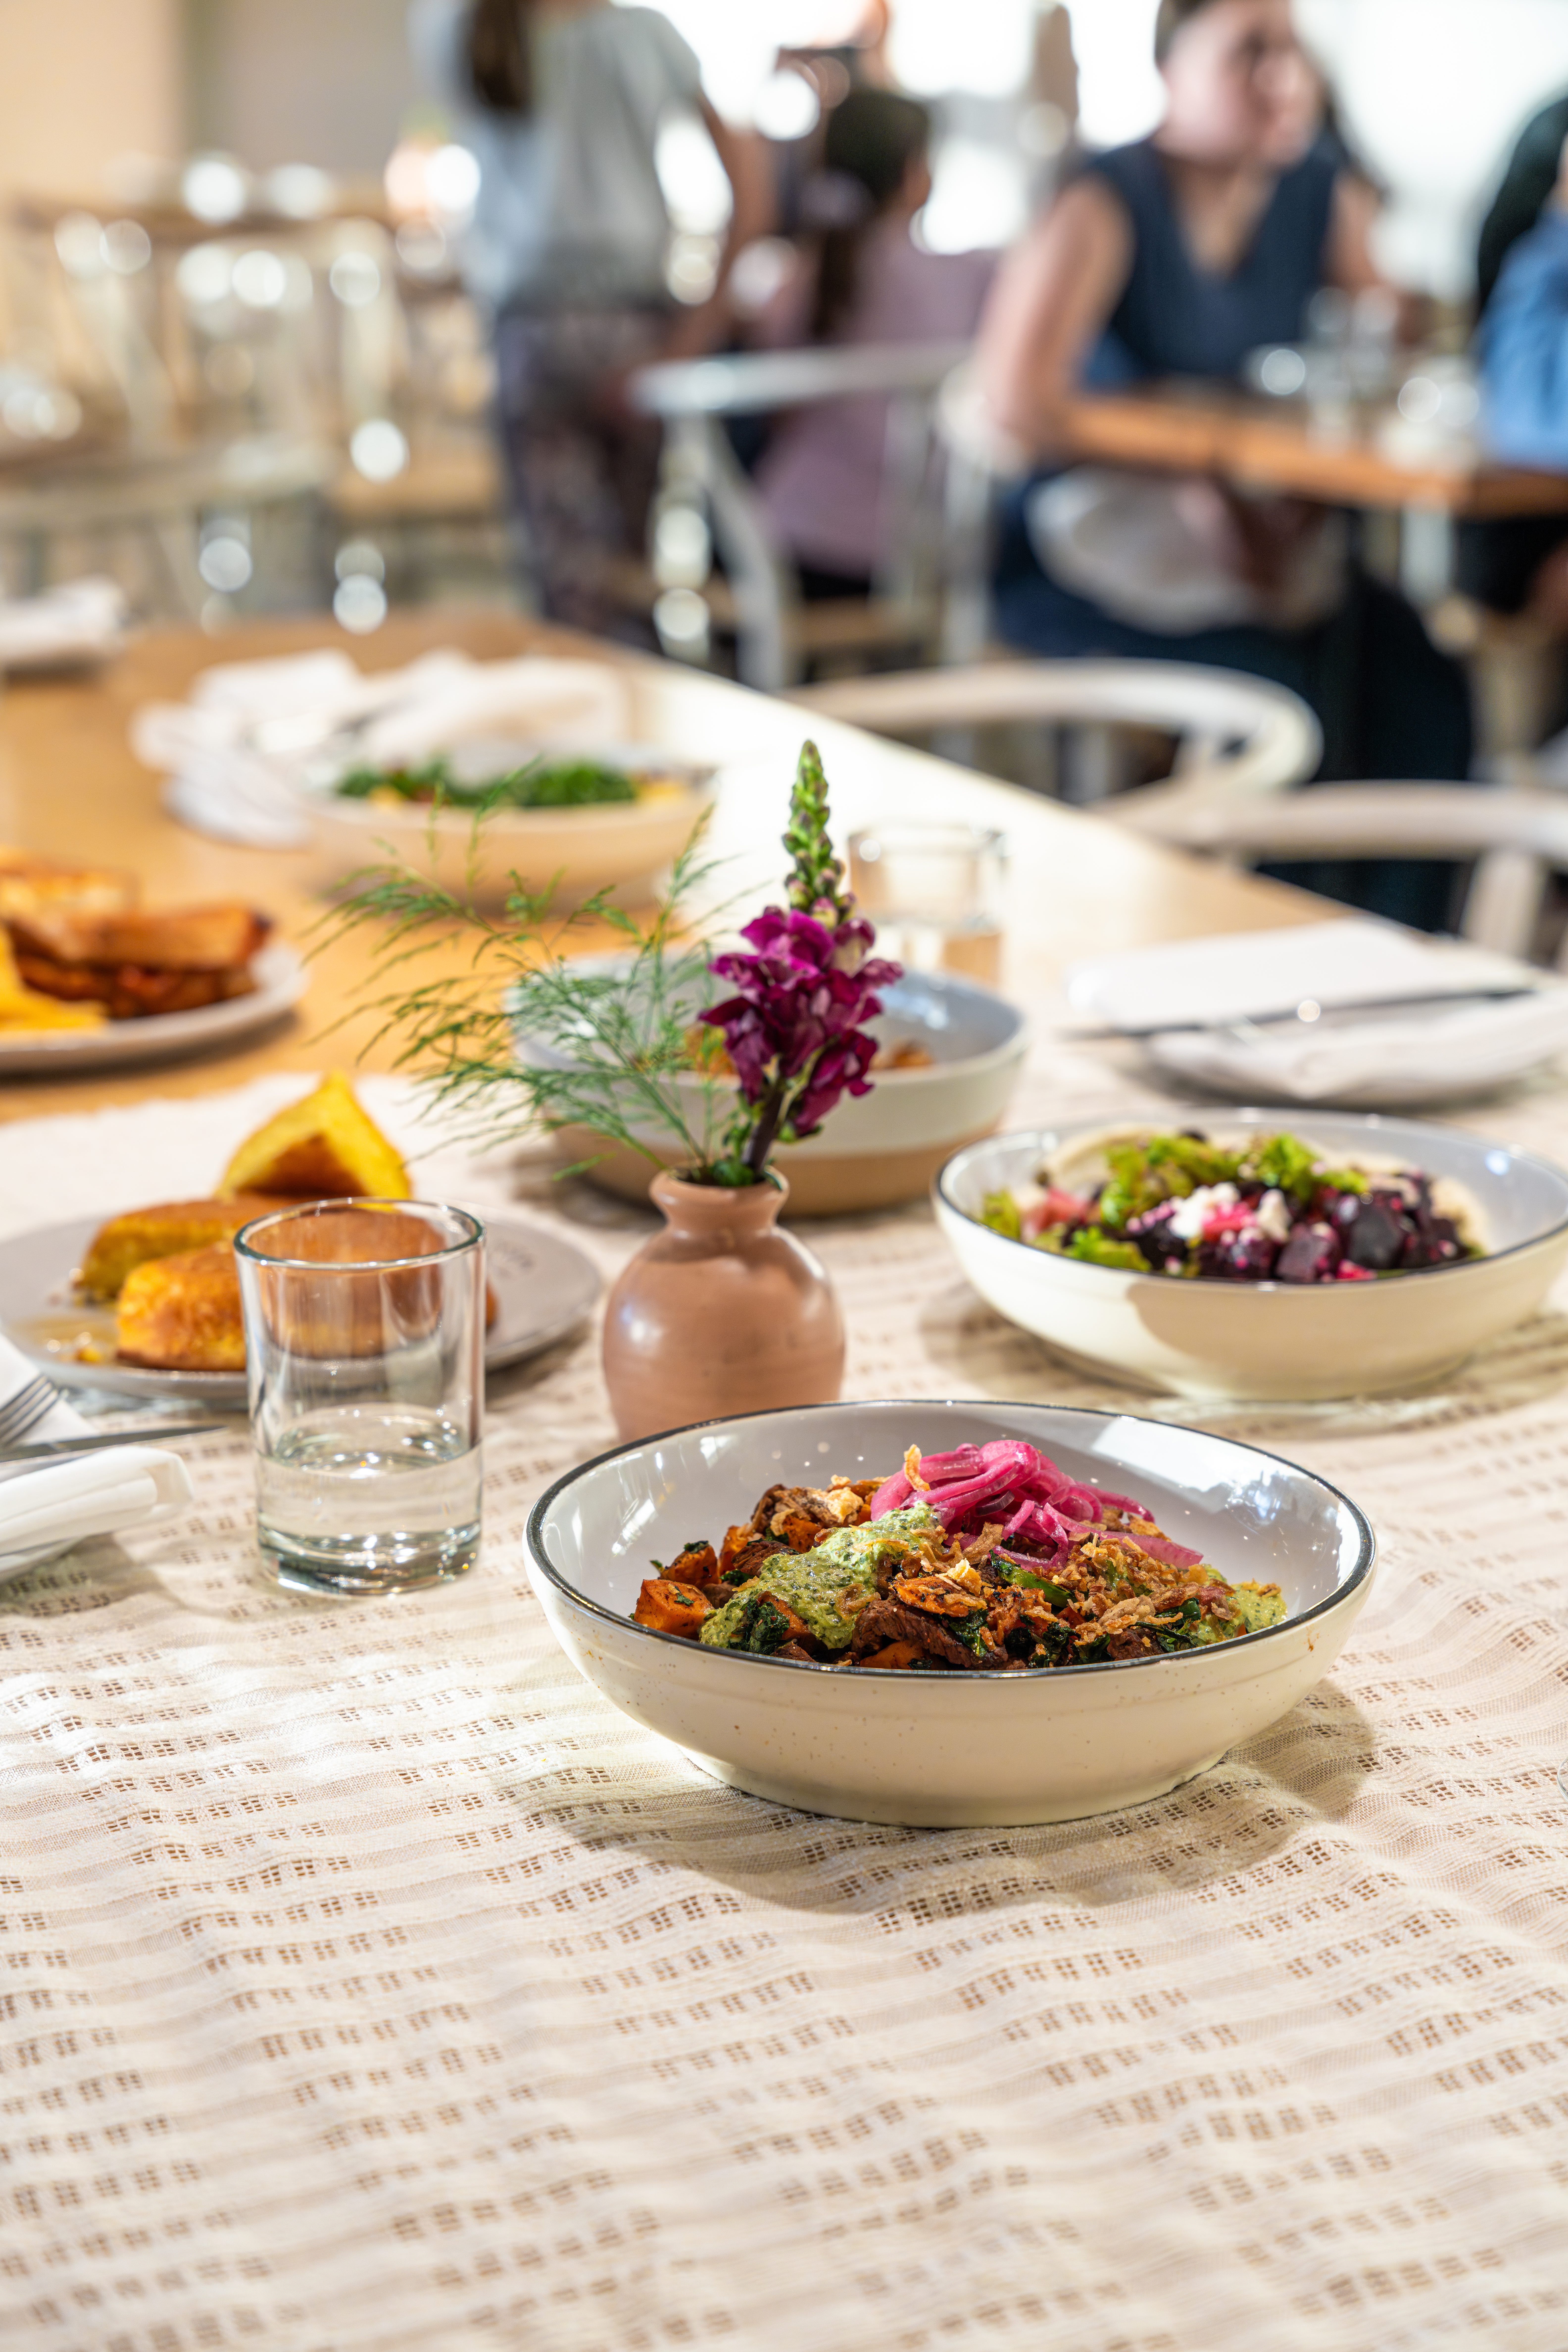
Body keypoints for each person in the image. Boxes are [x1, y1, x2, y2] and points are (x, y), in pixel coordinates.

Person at [976, 0, 1474, 923]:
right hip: (1097, 551)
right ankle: (1265, 935)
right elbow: (1015, 400)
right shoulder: (1106, 196)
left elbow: (1377, 348)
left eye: (1291, 52)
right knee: (1281, 694)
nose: (1283, 78)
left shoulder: (1318, 190)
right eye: (1250, 53)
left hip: (1268, 531)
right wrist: (1195, 471)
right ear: (1171, 68)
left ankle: (1395, 941)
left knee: (1421, 679)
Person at [409, 0, 765, 640]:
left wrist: (693, 336)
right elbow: (752, 181)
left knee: (574, 590)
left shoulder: (470, 27)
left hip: (544, 336)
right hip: (627, 334)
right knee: (623, 583)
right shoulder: (622, 35)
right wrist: (693, 336)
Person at [748, 89, 995, 600]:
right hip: (914, 556)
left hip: (780, 547)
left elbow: (777, 412)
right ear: (915, 172)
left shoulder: (797, 279)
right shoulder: (969, 279)